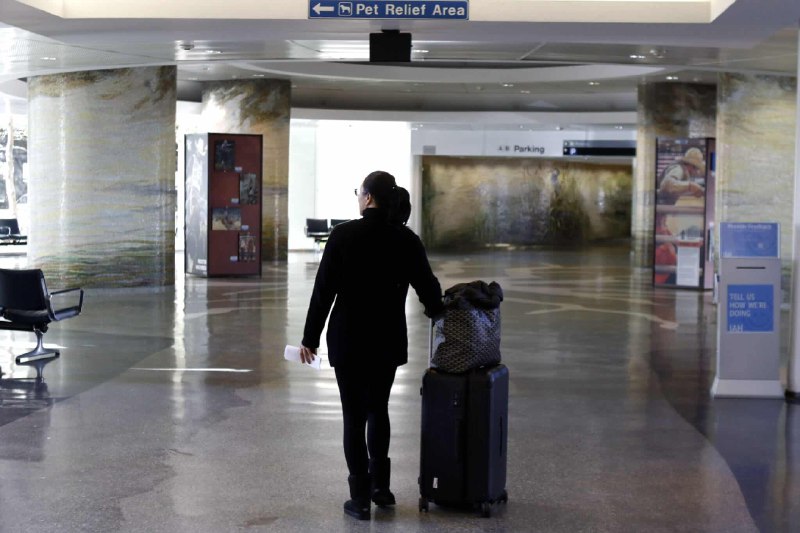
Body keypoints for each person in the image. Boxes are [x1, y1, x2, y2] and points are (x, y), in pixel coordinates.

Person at [299, 171, 443, 521]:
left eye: (359, 193)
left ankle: (360, 499)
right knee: (379, 408)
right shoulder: (405, 239)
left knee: (354, 417)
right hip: (386, 339)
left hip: (348, 340)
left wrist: (310, 338)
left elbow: (323, 291)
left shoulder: (343, 235)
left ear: (367, 198)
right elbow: (429, 290)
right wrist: (438, 311)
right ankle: (381, 488)